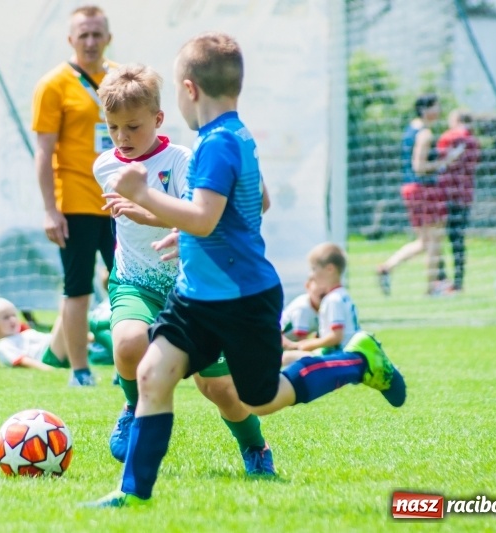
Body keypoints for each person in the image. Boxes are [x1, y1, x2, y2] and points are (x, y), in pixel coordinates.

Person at [87, 32, 406, 508]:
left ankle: (358, 362)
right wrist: (193, 236)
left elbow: (206, 216)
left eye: (177, 89)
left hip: (238, 297)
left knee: (258, 397)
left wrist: (146, 198)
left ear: (190, 90)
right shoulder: (233, 134)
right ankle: (133, 494)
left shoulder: (214, 145)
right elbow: (257, 202)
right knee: (152, 373)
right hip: (197, 293)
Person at [94, 63, 275, 475]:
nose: (123, 137)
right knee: (126, 345)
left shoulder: (181, 160)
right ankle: (134, 406)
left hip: (190, 289)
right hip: (135, 282)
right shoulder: (103, 166)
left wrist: (146, 213)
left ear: (158, 120)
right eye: (114, 127)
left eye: (133, 127)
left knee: (219, 389)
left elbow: (198, 218)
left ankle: (255, 447)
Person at [31, 5, 116, 386]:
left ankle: (126, 366)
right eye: (84, 34)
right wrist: (51, 210)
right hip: (77, 204)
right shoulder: (53, 84)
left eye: (97, 33)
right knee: (77, 288)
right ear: (71, 39)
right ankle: (80, 370)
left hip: (120, 204)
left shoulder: (120, 79)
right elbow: (44, 152)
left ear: (108, 37)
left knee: (129, 286)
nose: (91, 41)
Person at [376, 94, 464, 296]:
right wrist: (447, 160)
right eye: (436, 107)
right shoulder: (425, 134)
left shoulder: (411, 129)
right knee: (434, 239)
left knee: (424, 242)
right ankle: (433, 286)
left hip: (411, 188)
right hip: (424, 188)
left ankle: (387, 268)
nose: (439, 111)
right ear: (425, 110)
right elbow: (420, 166)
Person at [0, 297, 111, 370]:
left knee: (106, 353)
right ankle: (104, 321)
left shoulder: (25, 334)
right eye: (6, 317)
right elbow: (23, 361)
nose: (12, 319)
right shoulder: (3, 345)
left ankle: (104, 326)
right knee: (66, 312)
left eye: (13, 315)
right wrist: (47, 369)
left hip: (59, 351)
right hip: (49, 358)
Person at [282, 243, 361, 366]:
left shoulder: (332, 299)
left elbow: (336, 337)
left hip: (341, 354)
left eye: (314, 269)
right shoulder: (342, 294)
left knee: (286, 358)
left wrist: (307, 345)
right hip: (351, 352)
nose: (312, 274)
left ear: (330, 269)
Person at [436, 109, 480, 293]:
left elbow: (438, 161)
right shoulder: (474, 141)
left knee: (434, 237)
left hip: (445, 195)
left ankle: (441, 278)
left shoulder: (448, 137)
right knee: (458, 240)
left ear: (456, 120)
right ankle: (459, 282)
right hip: (464, 197)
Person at [280, 275, 323, 343]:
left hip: (293, 341)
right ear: (307, 286)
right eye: (319, 285)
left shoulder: (322, 306)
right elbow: (302, 343)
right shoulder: (302, 308)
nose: (323, 289)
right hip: (278, 340)